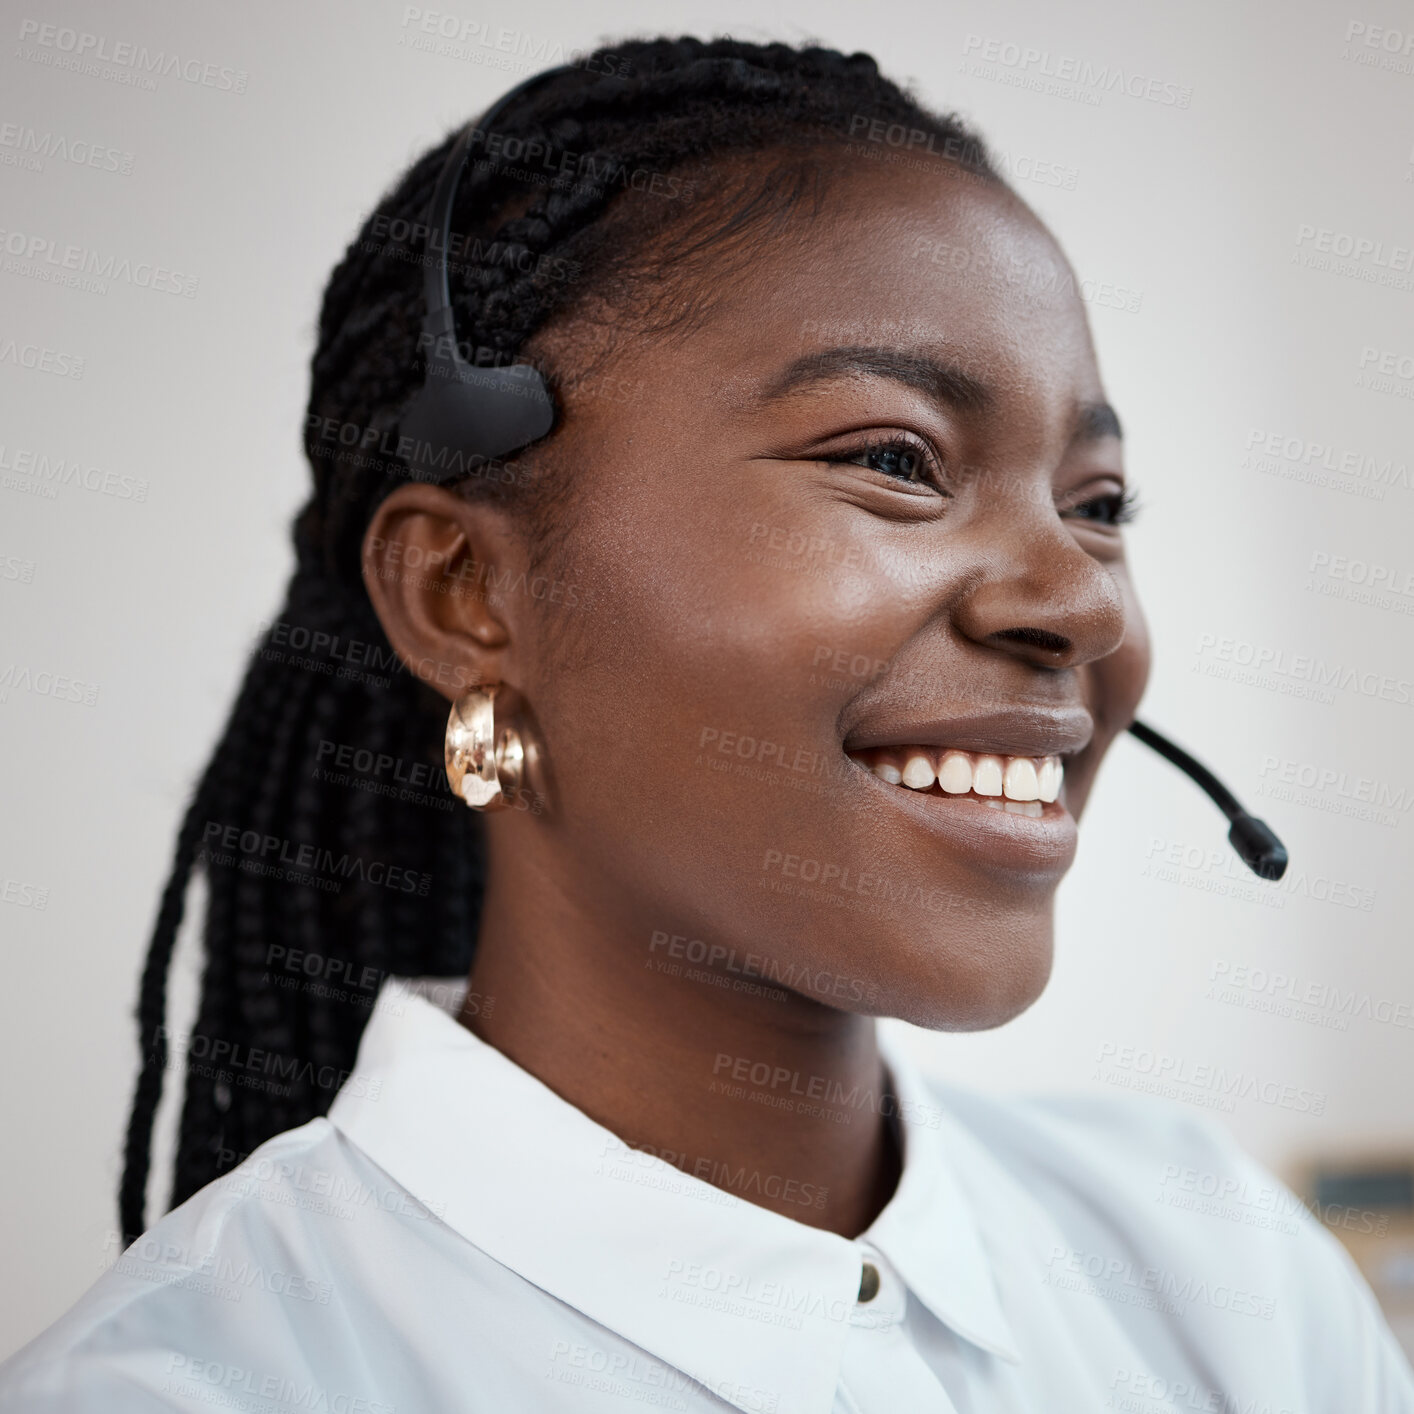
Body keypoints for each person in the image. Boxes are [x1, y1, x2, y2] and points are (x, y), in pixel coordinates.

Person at [2, 34, 1410, 1413]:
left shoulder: (1222, 1262)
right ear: (468, 590)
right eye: (894, 460)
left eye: (1095, 505)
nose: (1078, 603)